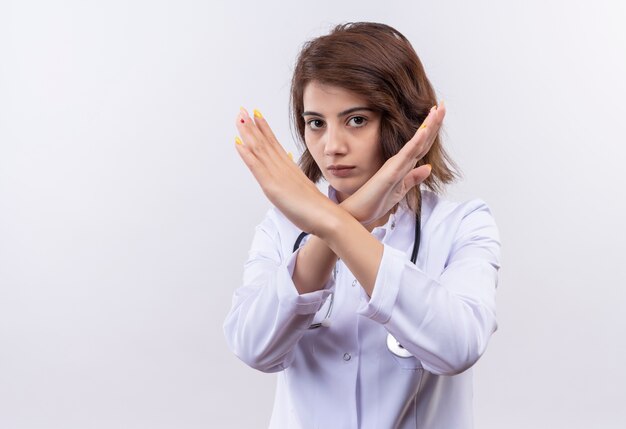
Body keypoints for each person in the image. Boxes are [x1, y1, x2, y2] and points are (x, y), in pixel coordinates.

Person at [223, 22, 501, 429]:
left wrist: (334, 226)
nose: (331, 146)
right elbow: (254, 348)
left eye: (355, 120)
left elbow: (455, 347)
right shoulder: (281, 230)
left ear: (403, 120)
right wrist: (339, 225)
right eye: (316, 122)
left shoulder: (463, 226)